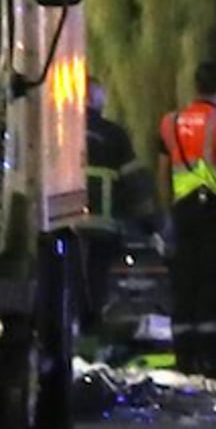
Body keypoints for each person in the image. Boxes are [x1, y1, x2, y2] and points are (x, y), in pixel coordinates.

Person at [157, 62, 216, 380]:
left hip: (183, 212)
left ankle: (185, 358)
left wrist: (167, 212)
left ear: (195, 86)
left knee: (186, 283)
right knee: (215, 283)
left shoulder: (170, 123)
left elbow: (162, 174)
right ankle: (213, 362)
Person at [79, 76, 156, 330]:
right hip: (103, 225)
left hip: (65, 225)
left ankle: (74, 326)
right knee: (97, 280)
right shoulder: (114, 134)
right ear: (94, 98)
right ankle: (93, 323)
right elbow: (135, 182)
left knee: (70, 279)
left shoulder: (59, 130)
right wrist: (149, 222)